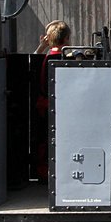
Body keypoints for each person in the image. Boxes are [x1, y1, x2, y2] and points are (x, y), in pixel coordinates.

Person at [33, 20, 70, 180]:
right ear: (66, 39)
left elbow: (34, 57)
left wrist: (42, 46)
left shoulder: (46, 57)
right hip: (55, 106)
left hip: (44, 105)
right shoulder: (61, 59)